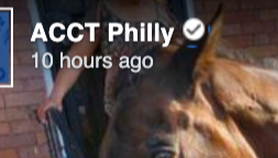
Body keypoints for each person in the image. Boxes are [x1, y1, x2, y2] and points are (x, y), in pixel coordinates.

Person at [36, 0, 178, 123]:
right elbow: (77, 56)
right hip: (123, 111)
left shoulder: (161, 12)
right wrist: (55, 97)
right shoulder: (102, 10)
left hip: (164, 106)